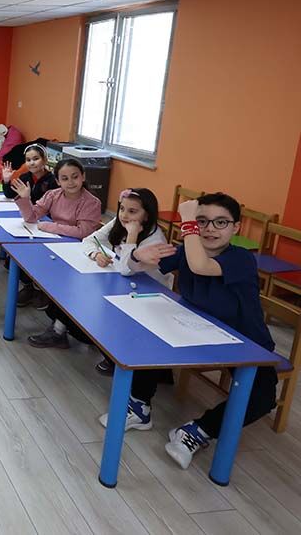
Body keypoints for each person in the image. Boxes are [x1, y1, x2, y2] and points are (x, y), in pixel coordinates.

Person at [99, 192, 277, 471]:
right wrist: (135, 254)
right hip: (194, 329)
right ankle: (140, 407)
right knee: (150, 335)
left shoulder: (241, 259)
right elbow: (134, 268)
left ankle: (198, 430)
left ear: (236, 227)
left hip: (244, 342)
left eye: (220, 222)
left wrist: (188, 220)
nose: (209, 229)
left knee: (263, 398)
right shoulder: (186, 251)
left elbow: (201, 266)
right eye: (202, 221)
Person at [27, 188, 173, 376]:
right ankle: (59, 331)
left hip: (148, 295)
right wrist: (95, 254)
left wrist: (131, 236)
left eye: (132, 211)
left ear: (147, 215)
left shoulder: (154, 239)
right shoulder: (120, 222)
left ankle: (118, 354)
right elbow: (89, 240)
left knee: (94, 305)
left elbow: (125, 269)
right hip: (125, 284)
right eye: (122, 209)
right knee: (73, 288)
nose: (124, 215)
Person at [10, 158, 102, 308]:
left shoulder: (92, 202)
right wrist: (26, 199)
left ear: (83, 176)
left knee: (49, 265)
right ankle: (32, 287)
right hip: (53, 240)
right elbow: (31, 217)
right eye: (64, 178)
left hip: (76, 248)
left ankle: (45, 292)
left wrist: (52, 227)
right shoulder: (52, 195)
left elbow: (83, 232)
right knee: (22, 255)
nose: (70, 182)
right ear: (58, 181)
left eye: (75, 177)